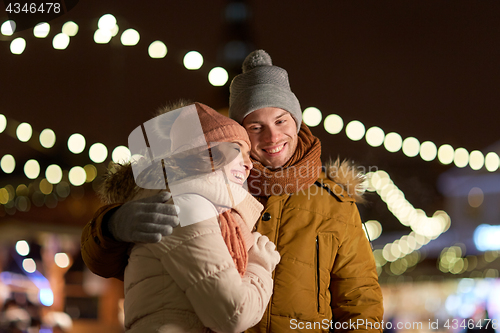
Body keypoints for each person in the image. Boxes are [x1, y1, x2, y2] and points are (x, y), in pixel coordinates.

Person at [81, 50, 384, 332]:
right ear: (239, 132)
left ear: (297, 121)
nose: (272, 136)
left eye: (281, 120)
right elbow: (112, 265)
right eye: (255, 126)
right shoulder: (211, 185)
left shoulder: (334, 201)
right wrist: (112, 225)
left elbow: (360, 299)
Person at [95, 102, 280, 332]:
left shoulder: (201, 204)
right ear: (206, 153)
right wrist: (259, 264)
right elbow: (232, 315)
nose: (249, 164)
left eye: (248, 153)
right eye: (236, 150)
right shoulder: (186, 205)